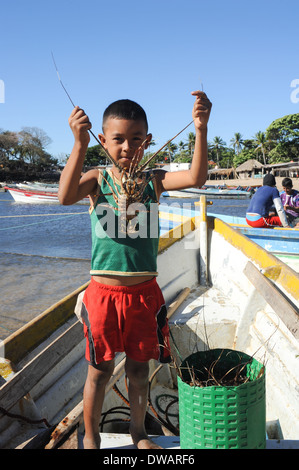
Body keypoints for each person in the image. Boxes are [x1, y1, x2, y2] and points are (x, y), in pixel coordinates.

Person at [58, 91, 212, 449]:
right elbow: (65, 196)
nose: (128, 147)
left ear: (148, 141)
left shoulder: (153, 180)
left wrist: (201, 128)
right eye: (118, 139)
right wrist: (78, 143)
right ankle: (92, 437)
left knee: (140, 371)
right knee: (99, 372)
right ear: (103, 140)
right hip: (104, 295)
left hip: (144, 294)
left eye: (136, 139)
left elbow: (196, 176)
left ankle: (139, 433)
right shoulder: (98, 180)